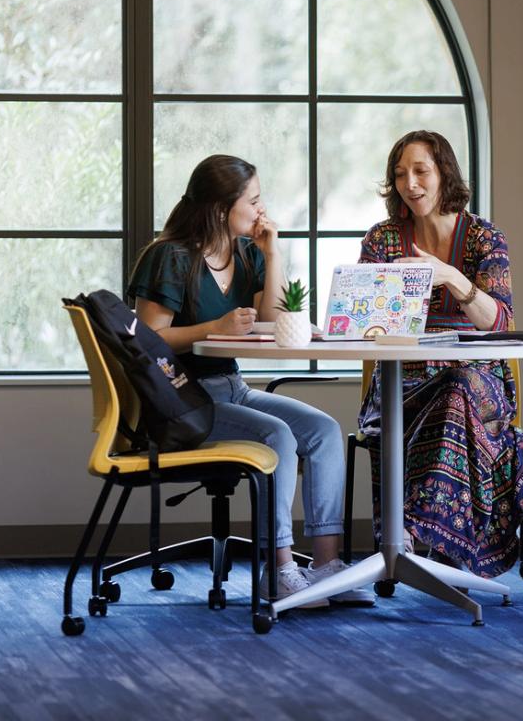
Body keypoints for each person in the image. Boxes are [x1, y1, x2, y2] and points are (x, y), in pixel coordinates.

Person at [127, 154, 373, 606]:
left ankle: (326, 566)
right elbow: (148, 343)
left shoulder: (244, 253)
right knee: (276, 434)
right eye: (254, 201)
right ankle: (277, 568)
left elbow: (273, 318)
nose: (262, 210)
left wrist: (271, 250)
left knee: (322, 430)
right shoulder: (170, 257)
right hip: (181, 403)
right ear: (222, 208)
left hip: (231, 388)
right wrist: (211, 327)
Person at [357, 130, 523, 578]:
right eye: (400, 174)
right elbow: (363, 322)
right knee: (450, 395)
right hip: (404, 384)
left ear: (445, 173)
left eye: (421, 171)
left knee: (458, 388)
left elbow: (498, 321)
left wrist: (450, 277)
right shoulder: (382, 240)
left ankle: (413, 528)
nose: (410, 183)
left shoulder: (484, 237)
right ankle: (435, 537)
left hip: (478, 384)